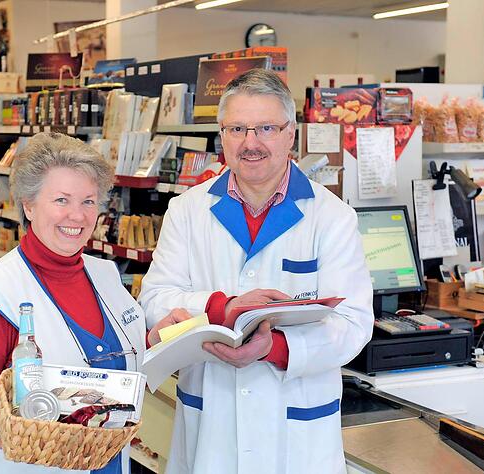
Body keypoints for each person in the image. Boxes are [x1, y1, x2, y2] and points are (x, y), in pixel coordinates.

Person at [140, 69, 374, 473]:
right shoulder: (187, 210)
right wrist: (221, 308)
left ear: (290, 134)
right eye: (237, 128)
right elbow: (154, 299)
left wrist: (274, 349)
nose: (251, 143)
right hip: (210, 420)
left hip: (296, 431)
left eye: (266, 127)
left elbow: (353, 324)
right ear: (222, 135)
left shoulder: (332, 217)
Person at [0, 133, 164, 474]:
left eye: (89, 201)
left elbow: (111, 357)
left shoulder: (106, 276)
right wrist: (13, 431)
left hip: (107, 463)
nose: (77, 215)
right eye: (62, 200)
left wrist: (154, 340)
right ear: (28, 205)